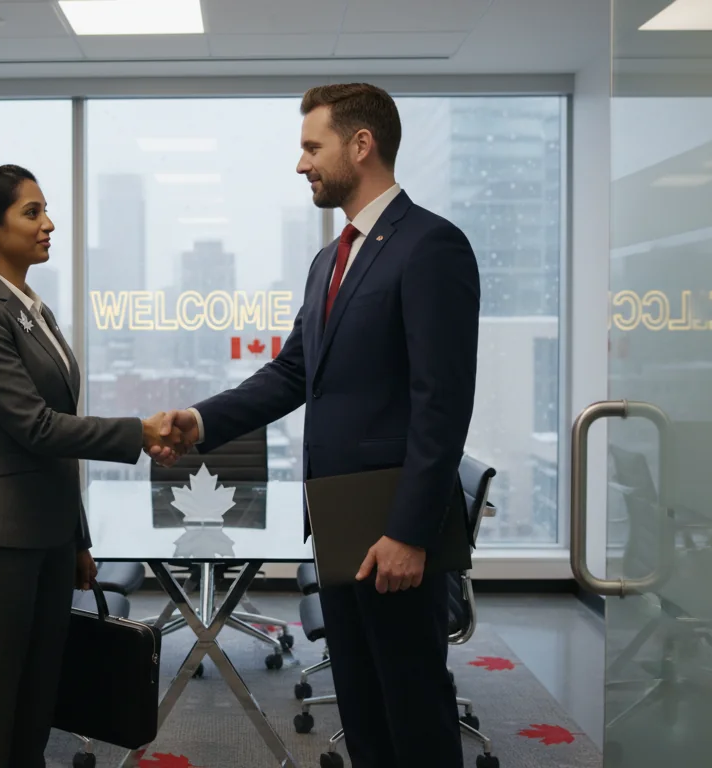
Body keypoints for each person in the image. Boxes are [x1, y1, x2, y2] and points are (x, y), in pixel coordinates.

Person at [153, 84, 479, 767]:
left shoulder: (431, 247)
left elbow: (441, 403)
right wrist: (201, 419)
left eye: (312, 146)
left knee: (414, 711)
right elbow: (292, 374)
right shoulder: (330, 261)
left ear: (361, 146)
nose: (302, 164)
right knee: (364, 709)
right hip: (336, 525)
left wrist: (409, 532)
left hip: (393, 530)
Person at [0, 164, 184, 768]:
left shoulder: (29, 306)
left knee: (35, 708)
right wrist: (137, 434)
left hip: (42, 536)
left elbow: (55, 442)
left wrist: (77, 540)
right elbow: (37, 428)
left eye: (46, 211)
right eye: (32, 213)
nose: (49, 225)